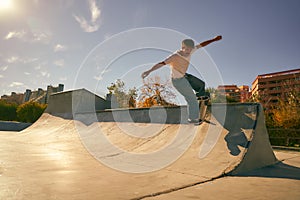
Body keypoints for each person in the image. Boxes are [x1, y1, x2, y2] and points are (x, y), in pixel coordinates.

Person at [141, 35, 222, 124]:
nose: (189, 52)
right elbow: (162, 63)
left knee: (201, 84)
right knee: (191, 98)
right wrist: (149, 71)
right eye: (187, 49)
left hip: (184, 76)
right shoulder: (175, 56)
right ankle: (192, 118)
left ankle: (200, 98)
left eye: (190, 49)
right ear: (182, 48)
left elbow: (202, 45)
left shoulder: (191, 50)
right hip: (177, 81)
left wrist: (214, 40)